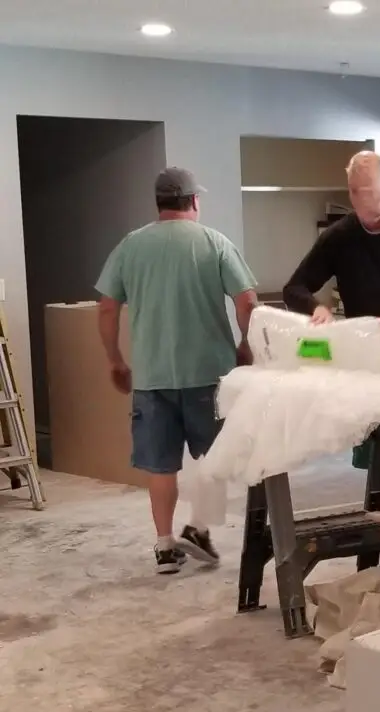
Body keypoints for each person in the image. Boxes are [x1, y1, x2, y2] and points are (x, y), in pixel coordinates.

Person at [95, 167, 259, 574]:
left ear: (159, 203)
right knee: (214, 459)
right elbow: (247, 304)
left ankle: (165, 546)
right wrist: (246, 343)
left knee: (161, 465)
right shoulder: (214, 243)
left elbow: (106, 306)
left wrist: (116, 359)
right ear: (194, 201)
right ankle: (198, 529)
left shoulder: (131, 247)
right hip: (209, 374)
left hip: (152, 378)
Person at [281, 150, 380, 457]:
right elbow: (294, 288)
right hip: (371, 358)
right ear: (351, 196)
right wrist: (316, 307)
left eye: (377, 204)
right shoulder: (339, 237)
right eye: (362, 205)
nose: (372, 217)